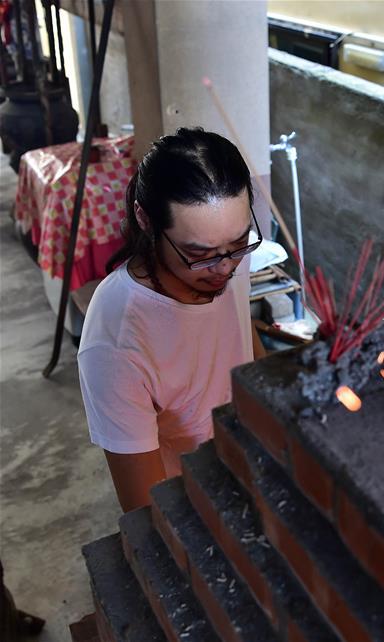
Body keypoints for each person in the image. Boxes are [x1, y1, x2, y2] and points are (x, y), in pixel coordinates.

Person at [78, 127, 266, 513]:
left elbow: (241, 336)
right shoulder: (116, 343)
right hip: (194, 502)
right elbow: (146, 511)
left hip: (250, 462)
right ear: (145, 220)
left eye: (239, 244)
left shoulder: (223, 256)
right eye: (201, 253)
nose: (226, 267)